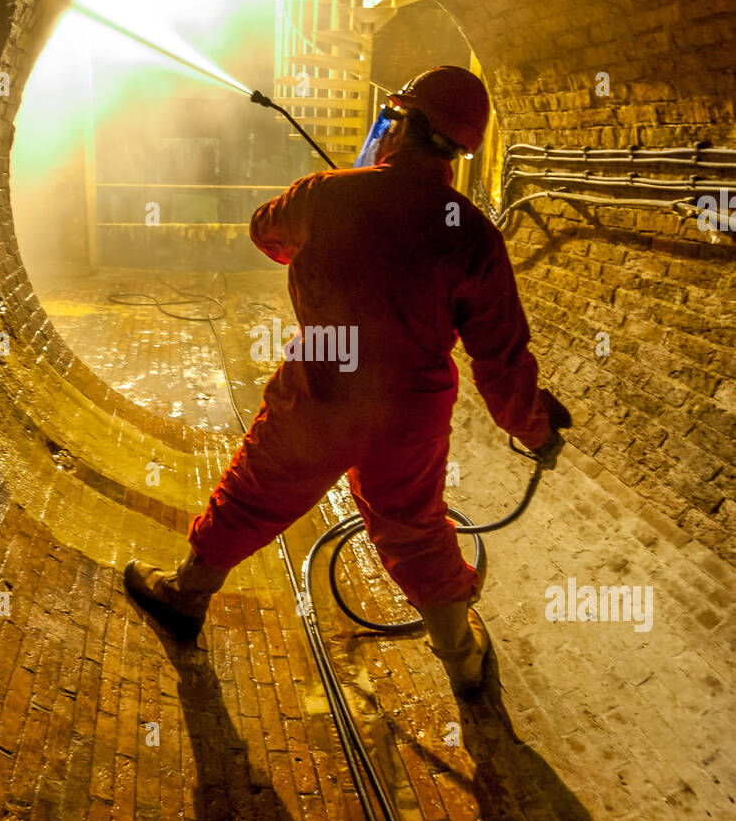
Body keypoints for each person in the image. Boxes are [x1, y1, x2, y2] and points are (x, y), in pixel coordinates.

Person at [126, 66, 570, 694]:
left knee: (256, 491)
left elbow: (264, 232)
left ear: (399, 122)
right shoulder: (471, 233)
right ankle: (463, 660)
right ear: (460, 151)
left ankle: (186, 596)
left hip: (322, 391)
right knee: (416, 531)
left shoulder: (325, 194)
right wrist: (537, 428)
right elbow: (501, 359)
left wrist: (339, 196)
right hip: (409, 415)